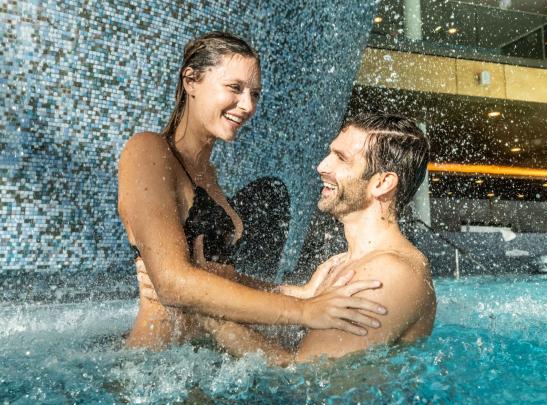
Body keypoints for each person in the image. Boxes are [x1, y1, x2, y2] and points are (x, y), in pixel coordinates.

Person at [117, 32, 388, 349]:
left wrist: (294, 292)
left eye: (255, 94)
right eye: (234, 88)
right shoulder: (149, 151)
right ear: (191, 81)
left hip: (203, 361)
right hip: (152, 371)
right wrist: (304, 311)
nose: (246, 105)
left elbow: (218, 277)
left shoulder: (208, 174)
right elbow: (172, 283)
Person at [202, 113, 437, 365]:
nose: (322, 166)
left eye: (341, 158)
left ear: (382, 183)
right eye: (330, 153)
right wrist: (217, 280)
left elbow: (304, 377)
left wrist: (208, 313)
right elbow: (297, 304)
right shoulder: (347, 261)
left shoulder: (388, 274)